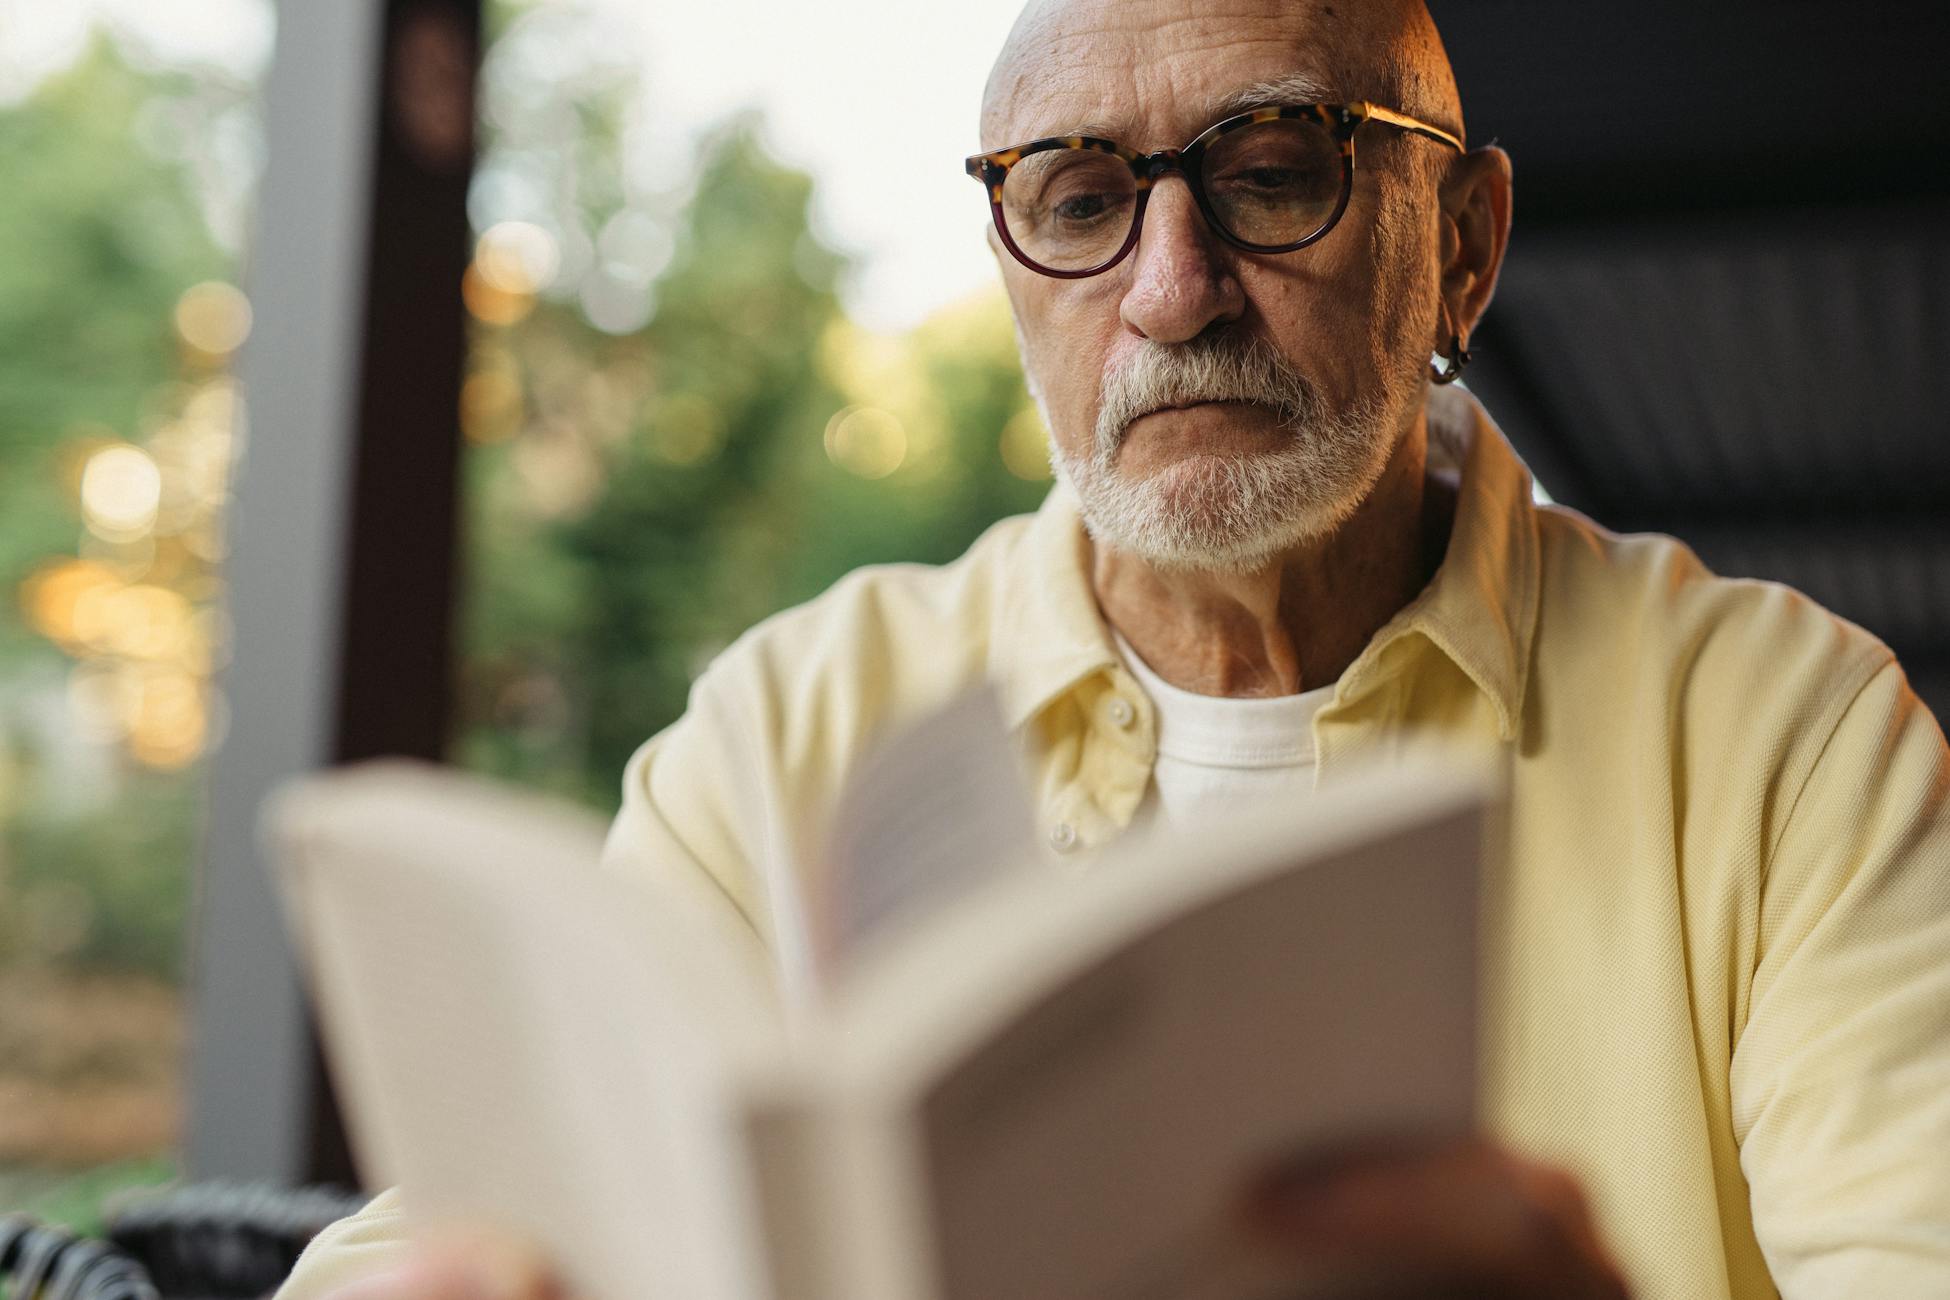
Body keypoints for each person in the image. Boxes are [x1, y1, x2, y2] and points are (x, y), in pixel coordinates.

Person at [278, 0, 1950, 1296]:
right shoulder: (797, 723)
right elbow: (465, 1227)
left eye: (1273, 171)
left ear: (1461, 247)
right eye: (1077, 199)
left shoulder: (1785, 738)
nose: (1168, 289)